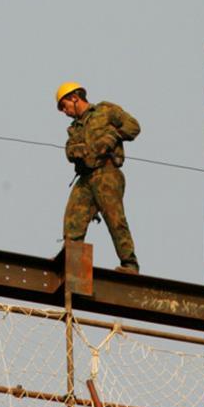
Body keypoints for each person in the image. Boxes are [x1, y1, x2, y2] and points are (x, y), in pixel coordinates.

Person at [56, 80, 141, 273]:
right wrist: (75, 151)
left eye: (64, 105)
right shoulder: (74, 128)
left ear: (74, 98)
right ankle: (72, 265)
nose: (64, 111)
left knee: (114, 218)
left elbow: (133, 126)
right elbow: (69, 150)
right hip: (86, 177)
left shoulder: (105, 111)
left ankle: (130, 263)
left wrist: (113, 136)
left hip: (107, 173)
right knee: (73, 218)